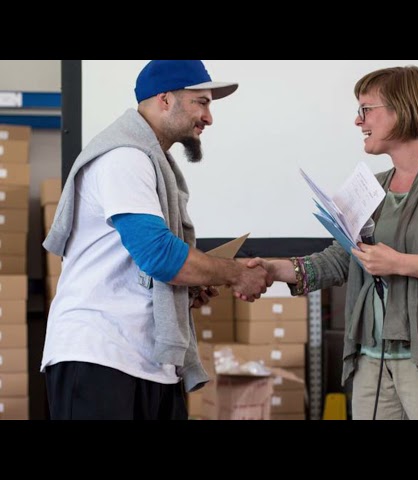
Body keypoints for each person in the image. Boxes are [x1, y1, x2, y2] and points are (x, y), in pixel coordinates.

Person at [249, 66, 418, 420]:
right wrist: (272, 269)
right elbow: (340, 260)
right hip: (374, 360)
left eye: (366, 109)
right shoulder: (373, 186)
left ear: (402, 108)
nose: (358, 120)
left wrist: (400, 263)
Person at [41, 60, 272, 420]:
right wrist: (234, 273)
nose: (208, 118)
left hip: (144, 361)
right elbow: (159, 255)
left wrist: (194, 284)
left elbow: (146, 264)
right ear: (165, 99)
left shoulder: (148, 160)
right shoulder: (125, 158)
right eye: (202, 102)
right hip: (101, 357)